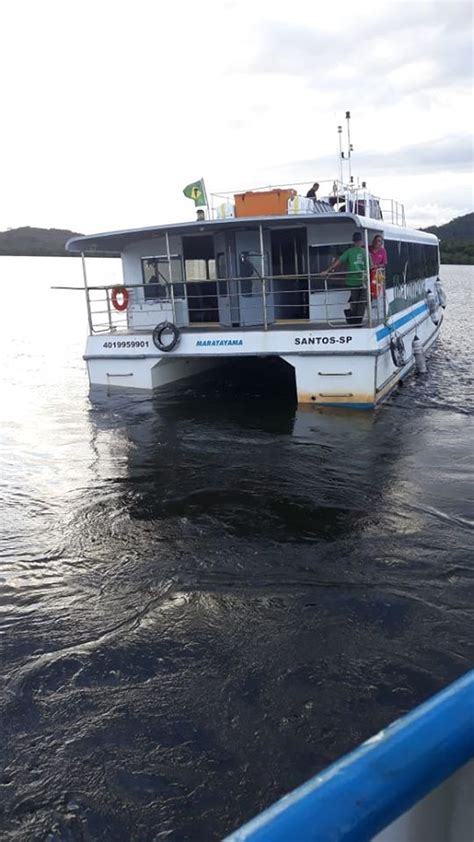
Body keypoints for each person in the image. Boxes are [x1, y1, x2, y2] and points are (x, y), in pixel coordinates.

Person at [323, 231, 368, 326]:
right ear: (361, 241)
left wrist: (327, 270)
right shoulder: (364, 252)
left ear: (354, 241)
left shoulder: (351, 252)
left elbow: (338, 262)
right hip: (362, 281)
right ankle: (357, 321)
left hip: (354, 281)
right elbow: (371, 267)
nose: (358, 243)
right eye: (358, 241)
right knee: (361, 301)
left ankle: (355, 320)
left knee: (357, 301)